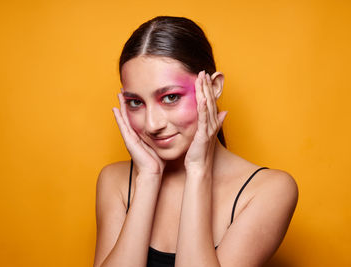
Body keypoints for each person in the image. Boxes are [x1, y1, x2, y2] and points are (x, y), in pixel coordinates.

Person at [93, 16, 298, 267]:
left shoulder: (268, 191)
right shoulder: (114, 182)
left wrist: (199, 171)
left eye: (170, 97)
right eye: (136, 102)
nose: (152, 124)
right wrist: (147, 178)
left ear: (213, 88)